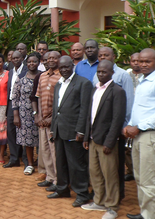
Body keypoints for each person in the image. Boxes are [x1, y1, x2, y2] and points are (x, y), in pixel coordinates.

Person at [123, 48, 155, 219]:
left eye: (147, 61)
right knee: (140, 177)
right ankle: (145, 213)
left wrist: (139, 126)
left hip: (151, 135)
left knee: (150, 179)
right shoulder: (144, 80)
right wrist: (129, 125)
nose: (143, 64)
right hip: (139, 135)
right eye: (141, 61)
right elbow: (140, 109)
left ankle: (151, 216)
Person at [80, 60, 126, 219]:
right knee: (95, 173)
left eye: (104, 72)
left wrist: (110, 142)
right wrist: (86, 136)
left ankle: (112, 206)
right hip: (93, 139)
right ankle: (98, 201)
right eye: (98, 72)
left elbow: (117, 119)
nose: (100, 74)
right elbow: (89, 115)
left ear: (112, 72)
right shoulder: (95, 90)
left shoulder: (117, 91)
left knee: (110, 174)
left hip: (106, 142)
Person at [47, 56, 93, 208]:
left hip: (74, 131)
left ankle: (82, 193)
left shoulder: (83, 83)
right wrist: (53, 129)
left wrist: (81, 131)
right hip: (60, 130)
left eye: (67, 67)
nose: (64, 70)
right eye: (62, 68)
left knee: (77, 164)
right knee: (61, 163)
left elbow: (85, 109)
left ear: (73, 66)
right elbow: (56, 109)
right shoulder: (59, 84)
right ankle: (62, 189)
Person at [96, 47, 135, 201]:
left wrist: (123, 127)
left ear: (113, 56)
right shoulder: (98, 73)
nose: (103, 57)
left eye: (106, 54)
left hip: (116, 128)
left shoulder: (123, 75)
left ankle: (118, 194)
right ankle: (104, 193)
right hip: (100, 129)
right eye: (100, 55)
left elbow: (128, 103)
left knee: (116, 165)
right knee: (103, 166)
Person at [34, 51, 61, 184]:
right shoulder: (42, 76)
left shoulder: (62, 77)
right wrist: (39, 116)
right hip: (42, 121)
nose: (51, 60)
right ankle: (50, 177)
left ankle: (58, 179)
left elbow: (62, 102)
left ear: (59, 60)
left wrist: (51, 119)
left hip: (54, 121)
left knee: (54, 152)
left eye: (54, 58)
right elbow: (38, 98)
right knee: (44, 151)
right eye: (49, 58)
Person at [11, 52, 41, 175]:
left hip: (42, 112)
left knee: (41, 139)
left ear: (39, 62)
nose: (31, 64)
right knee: (28, 141)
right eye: (29, 62)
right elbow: (15, 97)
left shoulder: (43, 76)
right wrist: (16, 115)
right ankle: (29, 164)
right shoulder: (21, 78)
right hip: (24, 114)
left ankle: (42, 164)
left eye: (34, 61)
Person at [3, 51, 28, 169]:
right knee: (11, 132)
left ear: (22, 58)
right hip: (11, 104)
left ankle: (26, 160)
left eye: (18, 58)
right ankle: (14, 158)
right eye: (13, 58)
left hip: (23, 105)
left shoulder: (27, 70)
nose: (15, 60)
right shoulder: (10, 71)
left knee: (24, 131)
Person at [124, 53, 141, 182]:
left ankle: (139, 171)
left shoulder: (147, 76)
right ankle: (131, 170)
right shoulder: (126, 74)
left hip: (140, 116)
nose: (135, 63)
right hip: (128, 113)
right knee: (127, 147)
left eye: (138, 61)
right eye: (133, 60)